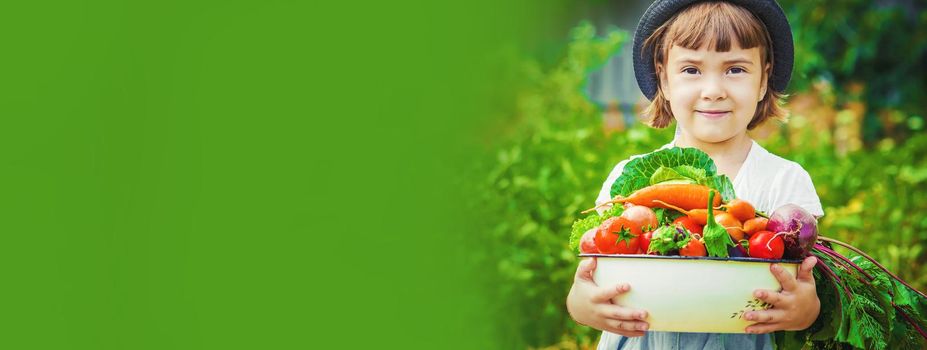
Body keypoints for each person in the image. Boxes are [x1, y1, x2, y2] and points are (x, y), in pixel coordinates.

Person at [565, 1, 826, 349]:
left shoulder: (784, 181)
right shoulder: (628, 179)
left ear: (763, 79)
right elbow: (589, 278)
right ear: (664, 79)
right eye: (691, 70)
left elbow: (809, 286)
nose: (713, 89)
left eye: (735, 69)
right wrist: (582, 305)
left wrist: (805, 310)